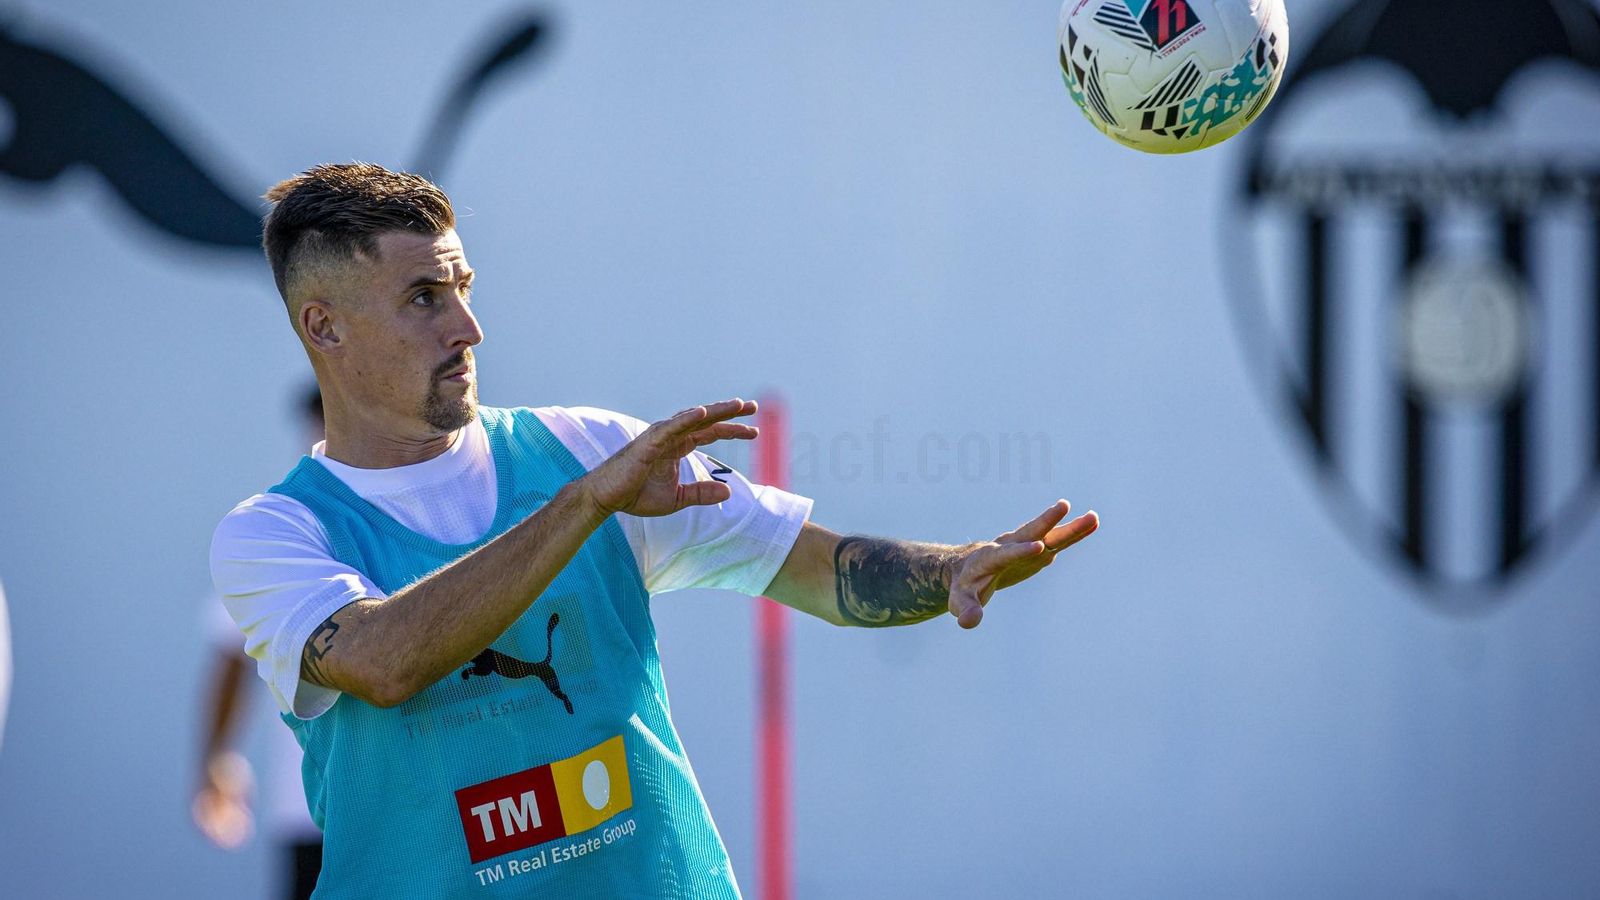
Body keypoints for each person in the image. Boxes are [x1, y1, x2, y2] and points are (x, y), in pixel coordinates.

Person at [210, 162, 1098, 898]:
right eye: (422, 298)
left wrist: (949, 574)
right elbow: (385, 661)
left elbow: (821, 573)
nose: (468, 327)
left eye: (463, 288)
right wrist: (585, 503)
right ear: (322, 325)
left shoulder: (585, 448)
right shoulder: (273, 537)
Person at [194, 385, 325, 899]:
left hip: (419, 809)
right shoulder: (281, 527)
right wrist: (218, 758)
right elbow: (231, 650)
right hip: (308, 812)